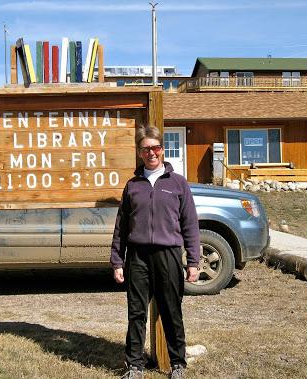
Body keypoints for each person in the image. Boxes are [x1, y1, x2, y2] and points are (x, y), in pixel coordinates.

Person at [110, 125, 200, 379]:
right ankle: (135, 366)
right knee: (136, 312)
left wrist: (193, 260)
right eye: (146, 149)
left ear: (163, 149)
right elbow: (121, 226)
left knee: (172, 310)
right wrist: (117, 260)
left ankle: (178, 364)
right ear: (140, 153)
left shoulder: (178, 184)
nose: (152, 153)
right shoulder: (133, 186)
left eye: (156, 148)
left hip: (168, 254)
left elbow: (190, 224)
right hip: (137, 256)